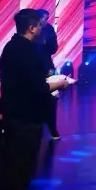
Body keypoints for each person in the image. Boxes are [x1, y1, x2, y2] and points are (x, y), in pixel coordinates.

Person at [0, 9, 69, 190]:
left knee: (16, 168)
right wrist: (59, 84)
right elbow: (36, 87)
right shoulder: (25, 52)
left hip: (18, 115)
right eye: (40, 26)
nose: (42, 29)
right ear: (32, 28)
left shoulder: (14, 47)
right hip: (24, 119)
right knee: (19, 169)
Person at [36, 9, 60, 140]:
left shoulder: (49, 29)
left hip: (46, 65)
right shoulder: (31, 28)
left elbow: (54, 48)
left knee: (52, 97)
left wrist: (47, 43)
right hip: (32, 65)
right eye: (44, 18)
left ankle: (52, 128)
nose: (45, 21)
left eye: (47, 18)